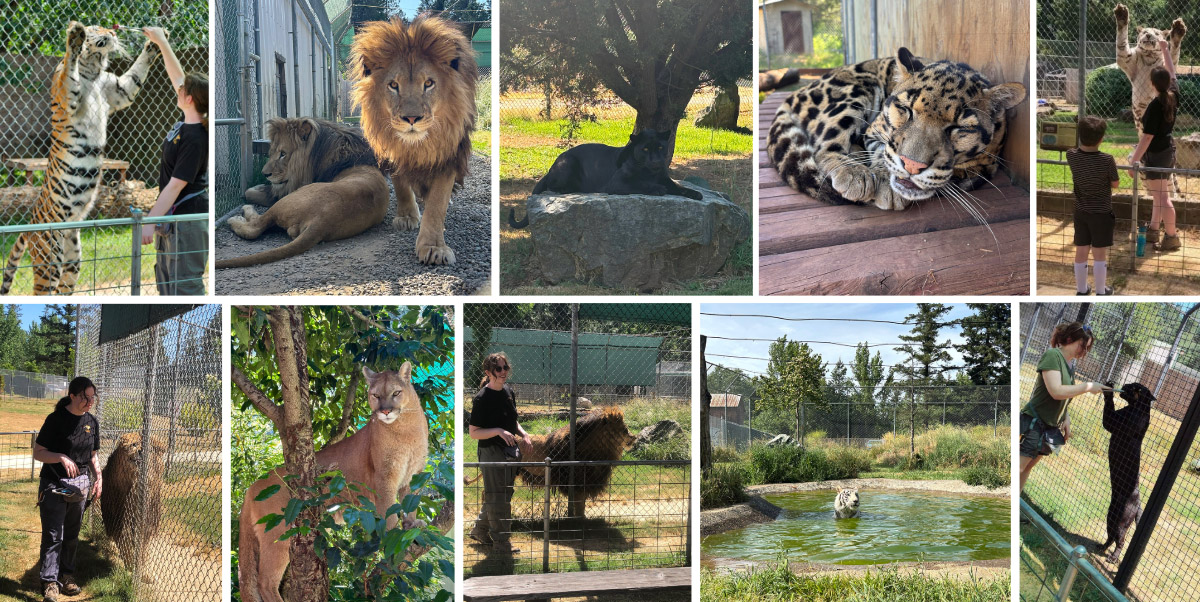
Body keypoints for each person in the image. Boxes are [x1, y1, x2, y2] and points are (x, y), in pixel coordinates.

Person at [141, 27, 209, 294]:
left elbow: (175, 185)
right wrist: (161, 41)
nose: (177, 88)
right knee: (167, 284)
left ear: (189, 98)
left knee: (185, 287)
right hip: (175, 219)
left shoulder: (195, 138)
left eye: (182, 89)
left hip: (187, 221)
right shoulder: (188, 121)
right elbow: (178, 76)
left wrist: (150, 220)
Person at [32, 377, 101, 602]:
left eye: (92, 398)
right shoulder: (56, 420)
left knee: (71, 535)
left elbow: (93, 456)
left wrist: (99, 477)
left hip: (78, 488)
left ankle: (67, 576)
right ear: (72, 396)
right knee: (54, 535)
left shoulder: (92, 422)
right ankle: (50, 582)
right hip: (54, 486)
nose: (89, 402)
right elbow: (38, 452)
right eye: (85, 397)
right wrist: (61, 457)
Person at [1018, 323, 1109, 492]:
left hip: (1049, 427)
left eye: (1087, 348)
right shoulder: (1053, 355)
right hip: (1034, 422)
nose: (1084, 352)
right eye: (1082, 345)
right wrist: (1087, 387)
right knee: (1017, 468)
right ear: (1069, 339)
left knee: (1027, 468)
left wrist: (1065, 417)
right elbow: (1056, 391)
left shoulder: (1069, 365)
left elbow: (1064, 396)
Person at [467, 352, 532, 554]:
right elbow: (473, 433)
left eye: (506, 368)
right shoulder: (481, 399)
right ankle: (502, 544)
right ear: (488, 372)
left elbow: (512, 421)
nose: (503, 372)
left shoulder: (508, 392)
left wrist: (524, 434)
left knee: (503, 495)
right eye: (498, 369)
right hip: (490, 452)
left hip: (510, 451)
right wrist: (498, 431)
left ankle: (479, 530)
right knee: (498, 499)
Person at [1129, 40, 1181, 252]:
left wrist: (1134, 158)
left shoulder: (1154, 106)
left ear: (1151, 83)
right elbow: (1173, 72)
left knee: (1162, 197)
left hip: (1157, 153)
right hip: (1167, 150)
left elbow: (1147, 137)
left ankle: (1171, 237)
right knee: (1159, 196)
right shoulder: (1173, 97)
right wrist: (1165, 50)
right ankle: (1153, 229)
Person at [1066, 116, 1119, 296]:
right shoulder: (1107, 159)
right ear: (1101, 138)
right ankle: (1101, 290)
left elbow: (1074, 150)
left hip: (1081, 211)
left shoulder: (1071, 156)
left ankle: (1081, 289)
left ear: (1079, 136)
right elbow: (1115, 183)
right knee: (1099, 252)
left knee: (1081, 249)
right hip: (1102, 212)